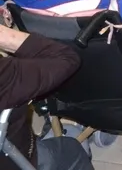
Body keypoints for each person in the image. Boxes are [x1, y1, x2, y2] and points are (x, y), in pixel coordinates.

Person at [0, 22, 91, 170]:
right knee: (71, 149)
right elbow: (67, 58)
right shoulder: (6, 73)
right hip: (16, 160)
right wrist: (4, 34)